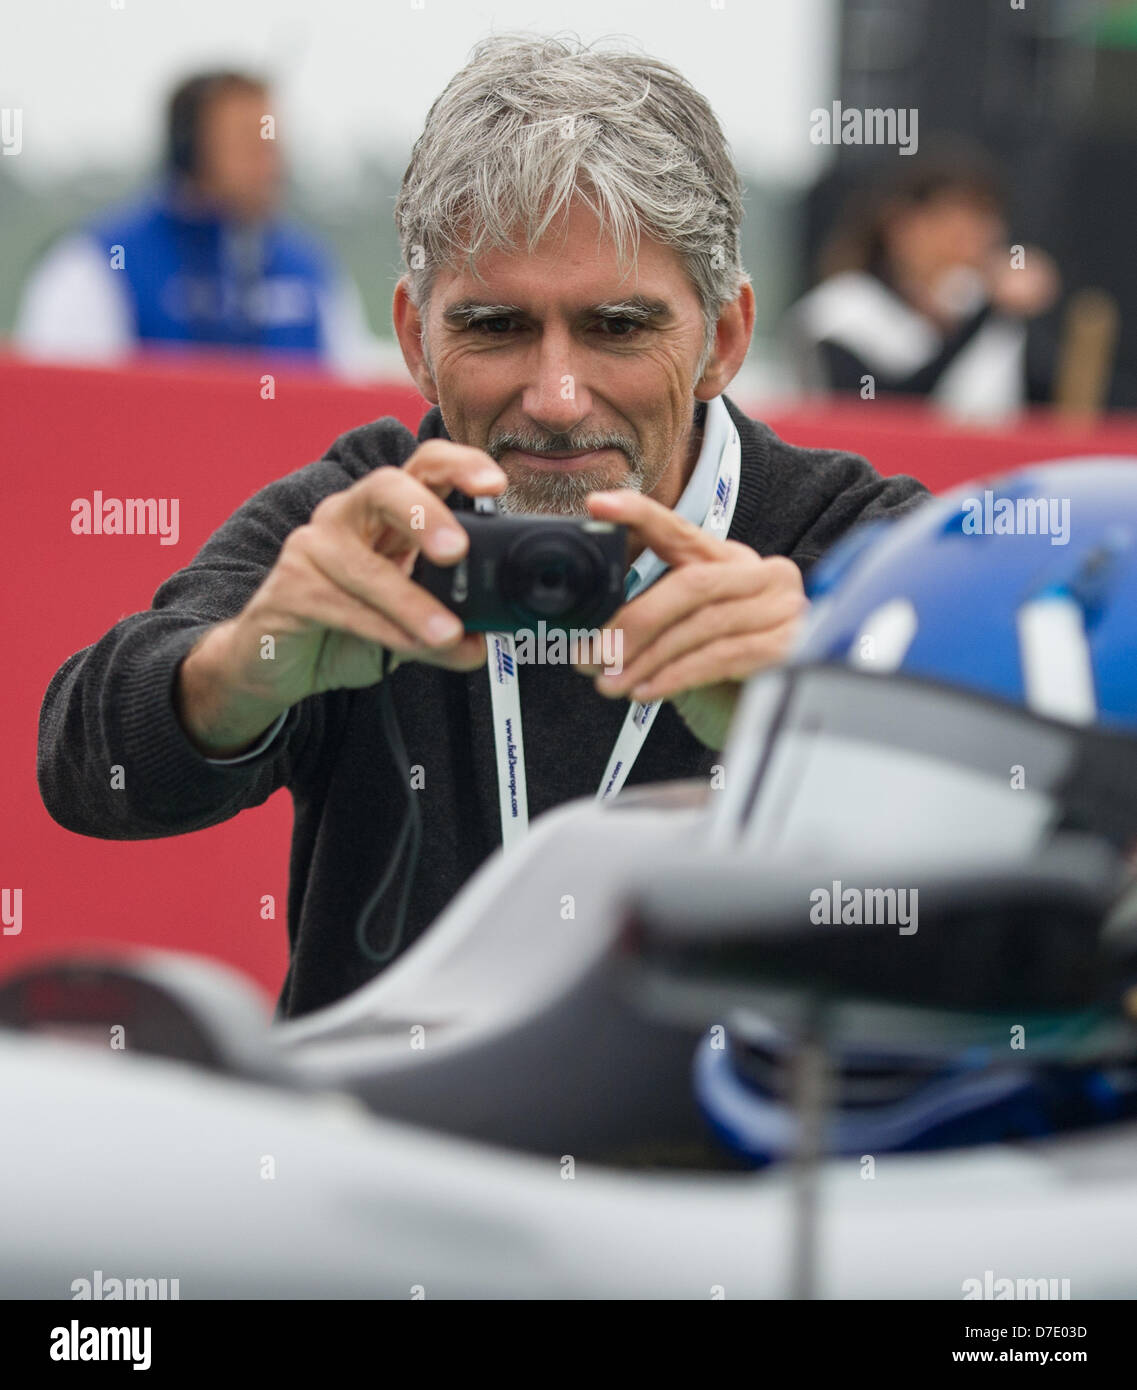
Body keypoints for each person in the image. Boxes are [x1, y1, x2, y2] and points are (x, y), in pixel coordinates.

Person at [36, 33, 929, 1020]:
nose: (553, 396)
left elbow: (1069, 876)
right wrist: (244, 669)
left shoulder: (865, 546)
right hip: (385, 1156)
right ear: (416, 337)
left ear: (721, 339)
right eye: (496, 326)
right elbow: (84, 764)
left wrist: (827, 729)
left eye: (617, 327)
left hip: (735, 1162)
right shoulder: (370, 516)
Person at [13, 69, 384, 380]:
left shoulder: (311, 268)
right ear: (187, 149)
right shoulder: (98, 263)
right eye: (247, 142)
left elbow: (350, 388)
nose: (268, 160)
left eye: (271, 140)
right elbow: (64, 405)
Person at [783, 147, 1061, 420]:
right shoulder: (843, 310)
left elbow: (1054, 408)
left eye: (981, 224)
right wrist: (988, 311)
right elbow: (883, 410)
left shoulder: (993, 318)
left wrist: (1031, 314)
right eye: (949, 223)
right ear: (900, 226)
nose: (967, 244)